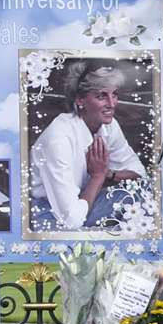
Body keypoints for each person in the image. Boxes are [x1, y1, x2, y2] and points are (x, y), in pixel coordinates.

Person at [28, 60, 151, 232]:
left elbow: (139, 175)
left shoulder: (108, 125)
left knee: (142, 192)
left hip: (82, 203)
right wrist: (98, 177)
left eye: (114, 94)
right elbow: (70, 220)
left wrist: (109, 174)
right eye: (101, 96)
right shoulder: (58, 139)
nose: (112, 103)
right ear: (80, 99)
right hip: (47, 212)